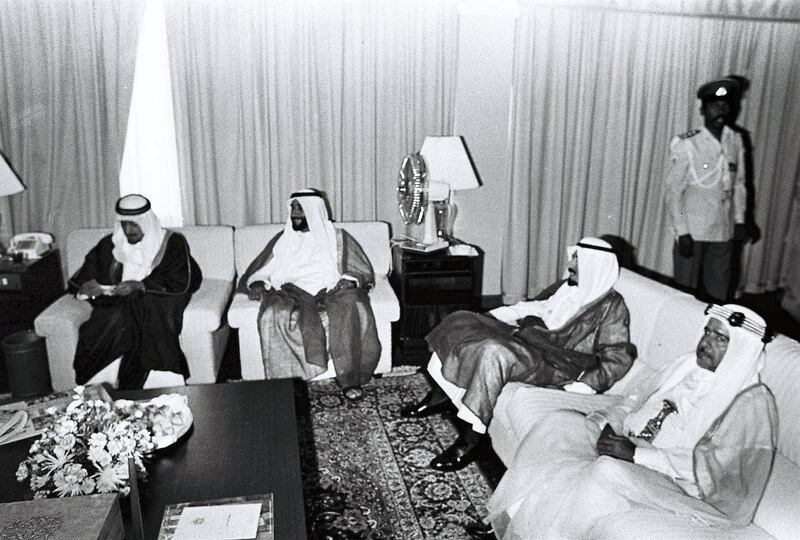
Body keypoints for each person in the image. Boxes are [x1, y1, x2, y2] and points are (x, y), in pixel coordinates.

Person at [471, 304, 776, 540]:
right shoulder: (686, 365)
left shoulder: (748, 404)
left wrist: (636, 455)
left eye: (720, 338)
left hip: (681, 484)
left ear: (741, 350)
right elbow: (635, 401)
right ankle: (504, 515)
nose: (706, 342)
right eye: (707, 332)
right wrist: (605, 423)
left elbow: (715, 474)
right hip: (631, 444)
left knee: (607, 470)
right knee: (558, 424)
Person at [400, 237, 637, 472]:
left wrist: (586, 384)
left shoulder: (612, 307)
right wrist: (496, 315)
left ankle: (473, 437)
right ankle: (441, 395)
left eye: (577, 258)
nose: (571, 263)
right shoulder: (568, 286)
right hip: (531, 340)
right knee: (459, 319)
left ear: (594, 265)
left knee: (493, 352)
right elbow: (539, 307)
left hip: (557, 362)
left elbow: (618, 355)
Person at [236, 189, 380, 401]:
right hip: (291, 293)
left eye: (300, 208)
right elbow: (263, 269)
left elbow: (360, 269)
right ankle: (283, 384)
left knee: (353, 302)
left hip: (331, 291)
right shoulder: (284, 239)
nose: (294, 213)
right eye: (293, 207)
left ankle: (349, 379)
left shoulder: (338, 238)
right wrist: (258, 282)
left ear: (314, 210)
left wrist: (349, 279)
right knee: (272, 313)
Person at [68, 194, 202, 389]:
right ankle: (101, 384)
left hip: (156, 298)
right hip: (117, 303)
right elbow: (81, 278)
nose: (129, 230)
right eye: (124, 224)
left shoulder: (171, 242)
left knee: (146, 313)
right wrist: (86, 286)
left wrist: (140, 285)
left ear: (146, 221)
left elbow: (183, 278)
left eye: (134, 224)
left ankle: (155, 383)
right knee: (109, 319)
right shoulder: (109, 245)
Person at [664, 76, 754, 302]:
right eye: (715, 105)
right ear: (703, 109)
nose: (721, 110)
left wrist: (740, 220)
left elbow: (740, 184)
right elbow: (675, 192)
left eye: (725, 105)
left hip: (722, 230)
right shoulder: (687, 143)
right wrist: (682, 231)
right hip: (692, 232)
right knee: (685, 295)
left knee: (719, 294)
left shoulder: (736, 140)